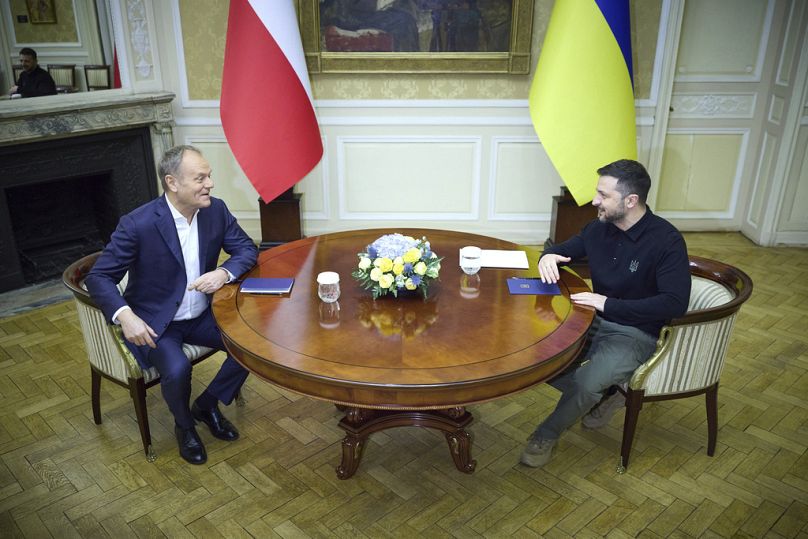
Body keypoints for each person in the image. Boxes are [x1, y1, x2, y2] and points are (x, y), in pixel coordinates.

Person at [85, 145, 258, 465]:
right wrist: (126, 317)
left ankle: (206, 405)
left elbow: (246, 249)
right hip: (156, 323)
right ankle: (185, 426)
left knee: (253, 346)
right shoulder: (138, 224)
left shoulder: (215, 211)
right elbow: (99, 278)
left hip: (203, 314)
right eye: (200, 178)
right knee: (177, 369)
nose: (210, 184)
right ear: (172, 182)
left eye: (210, 176)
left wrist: (223, 272)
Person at [521, 159, 691, 467]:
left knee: (586, 383)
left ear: (630, 200)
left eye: (603, 194)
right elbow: (563, 248)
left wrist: (608, 304)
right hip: (593, 318)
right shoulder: (599, 227)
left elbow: (674, 303)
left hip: (636, 331)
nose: (595, 200)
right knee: (539, 355)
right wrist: (548, 256)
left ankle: (547, 433)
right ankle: (608, 392)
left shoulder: (667, 242)